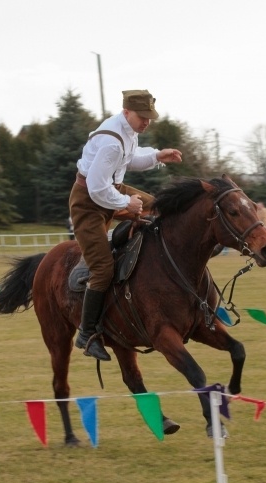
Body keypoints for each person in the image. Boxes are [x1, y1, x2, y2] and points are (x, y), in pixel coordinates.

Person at [70, 89, 182, 361]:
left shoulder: (127, 132)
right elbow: (97, 189)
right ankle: (86, 334)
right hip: (89, 204)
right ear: (126, 112)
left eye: (150, 117)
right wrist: (127, 204)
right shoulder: (111, 141)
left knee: (158, 205)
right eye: (142, 117)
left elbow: (129, 160)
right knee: (103, 269)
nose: (146, 122)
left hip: (111, 190)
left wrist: (157, 156)